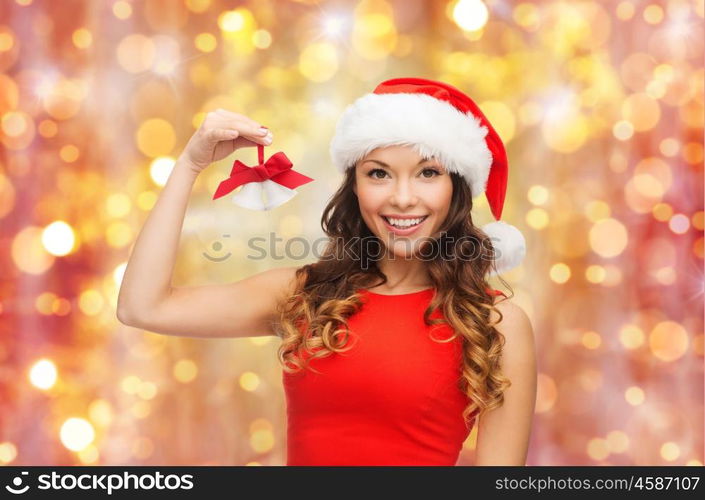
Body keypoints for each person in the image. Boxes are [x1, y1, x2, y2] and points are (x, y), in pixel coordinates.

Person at [117, 77, 537, 466]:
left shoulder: (495, 324)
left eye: (428, 173)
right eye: (379, 174)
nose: (403, 198)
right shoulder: (304, 292)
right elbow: (143, 307)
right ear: (354, 186)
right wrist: (190, 164)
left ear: (457, 188)